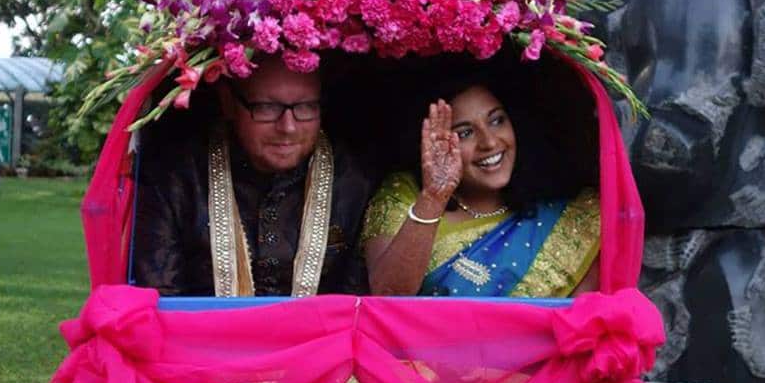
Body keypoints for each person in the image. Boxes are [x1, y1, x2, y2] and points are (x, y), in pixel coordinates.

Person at [132, 55, 373, 297]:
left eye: (305, 107)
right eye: (267, 108)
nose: (288, 127)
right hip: (201, 333)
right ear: (228, 102)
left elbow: (360, 302)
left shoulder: (354, 180)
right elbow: (159, 299)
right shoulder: (177, 177)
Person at [362, 65, 600, 297]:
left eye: (497, 121)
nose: (489, 142)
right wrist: (434, 196)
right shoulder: (406, 194)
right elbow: (388, 294)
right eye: (465, 133)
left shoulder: (569, 221)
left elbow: (577, 324)